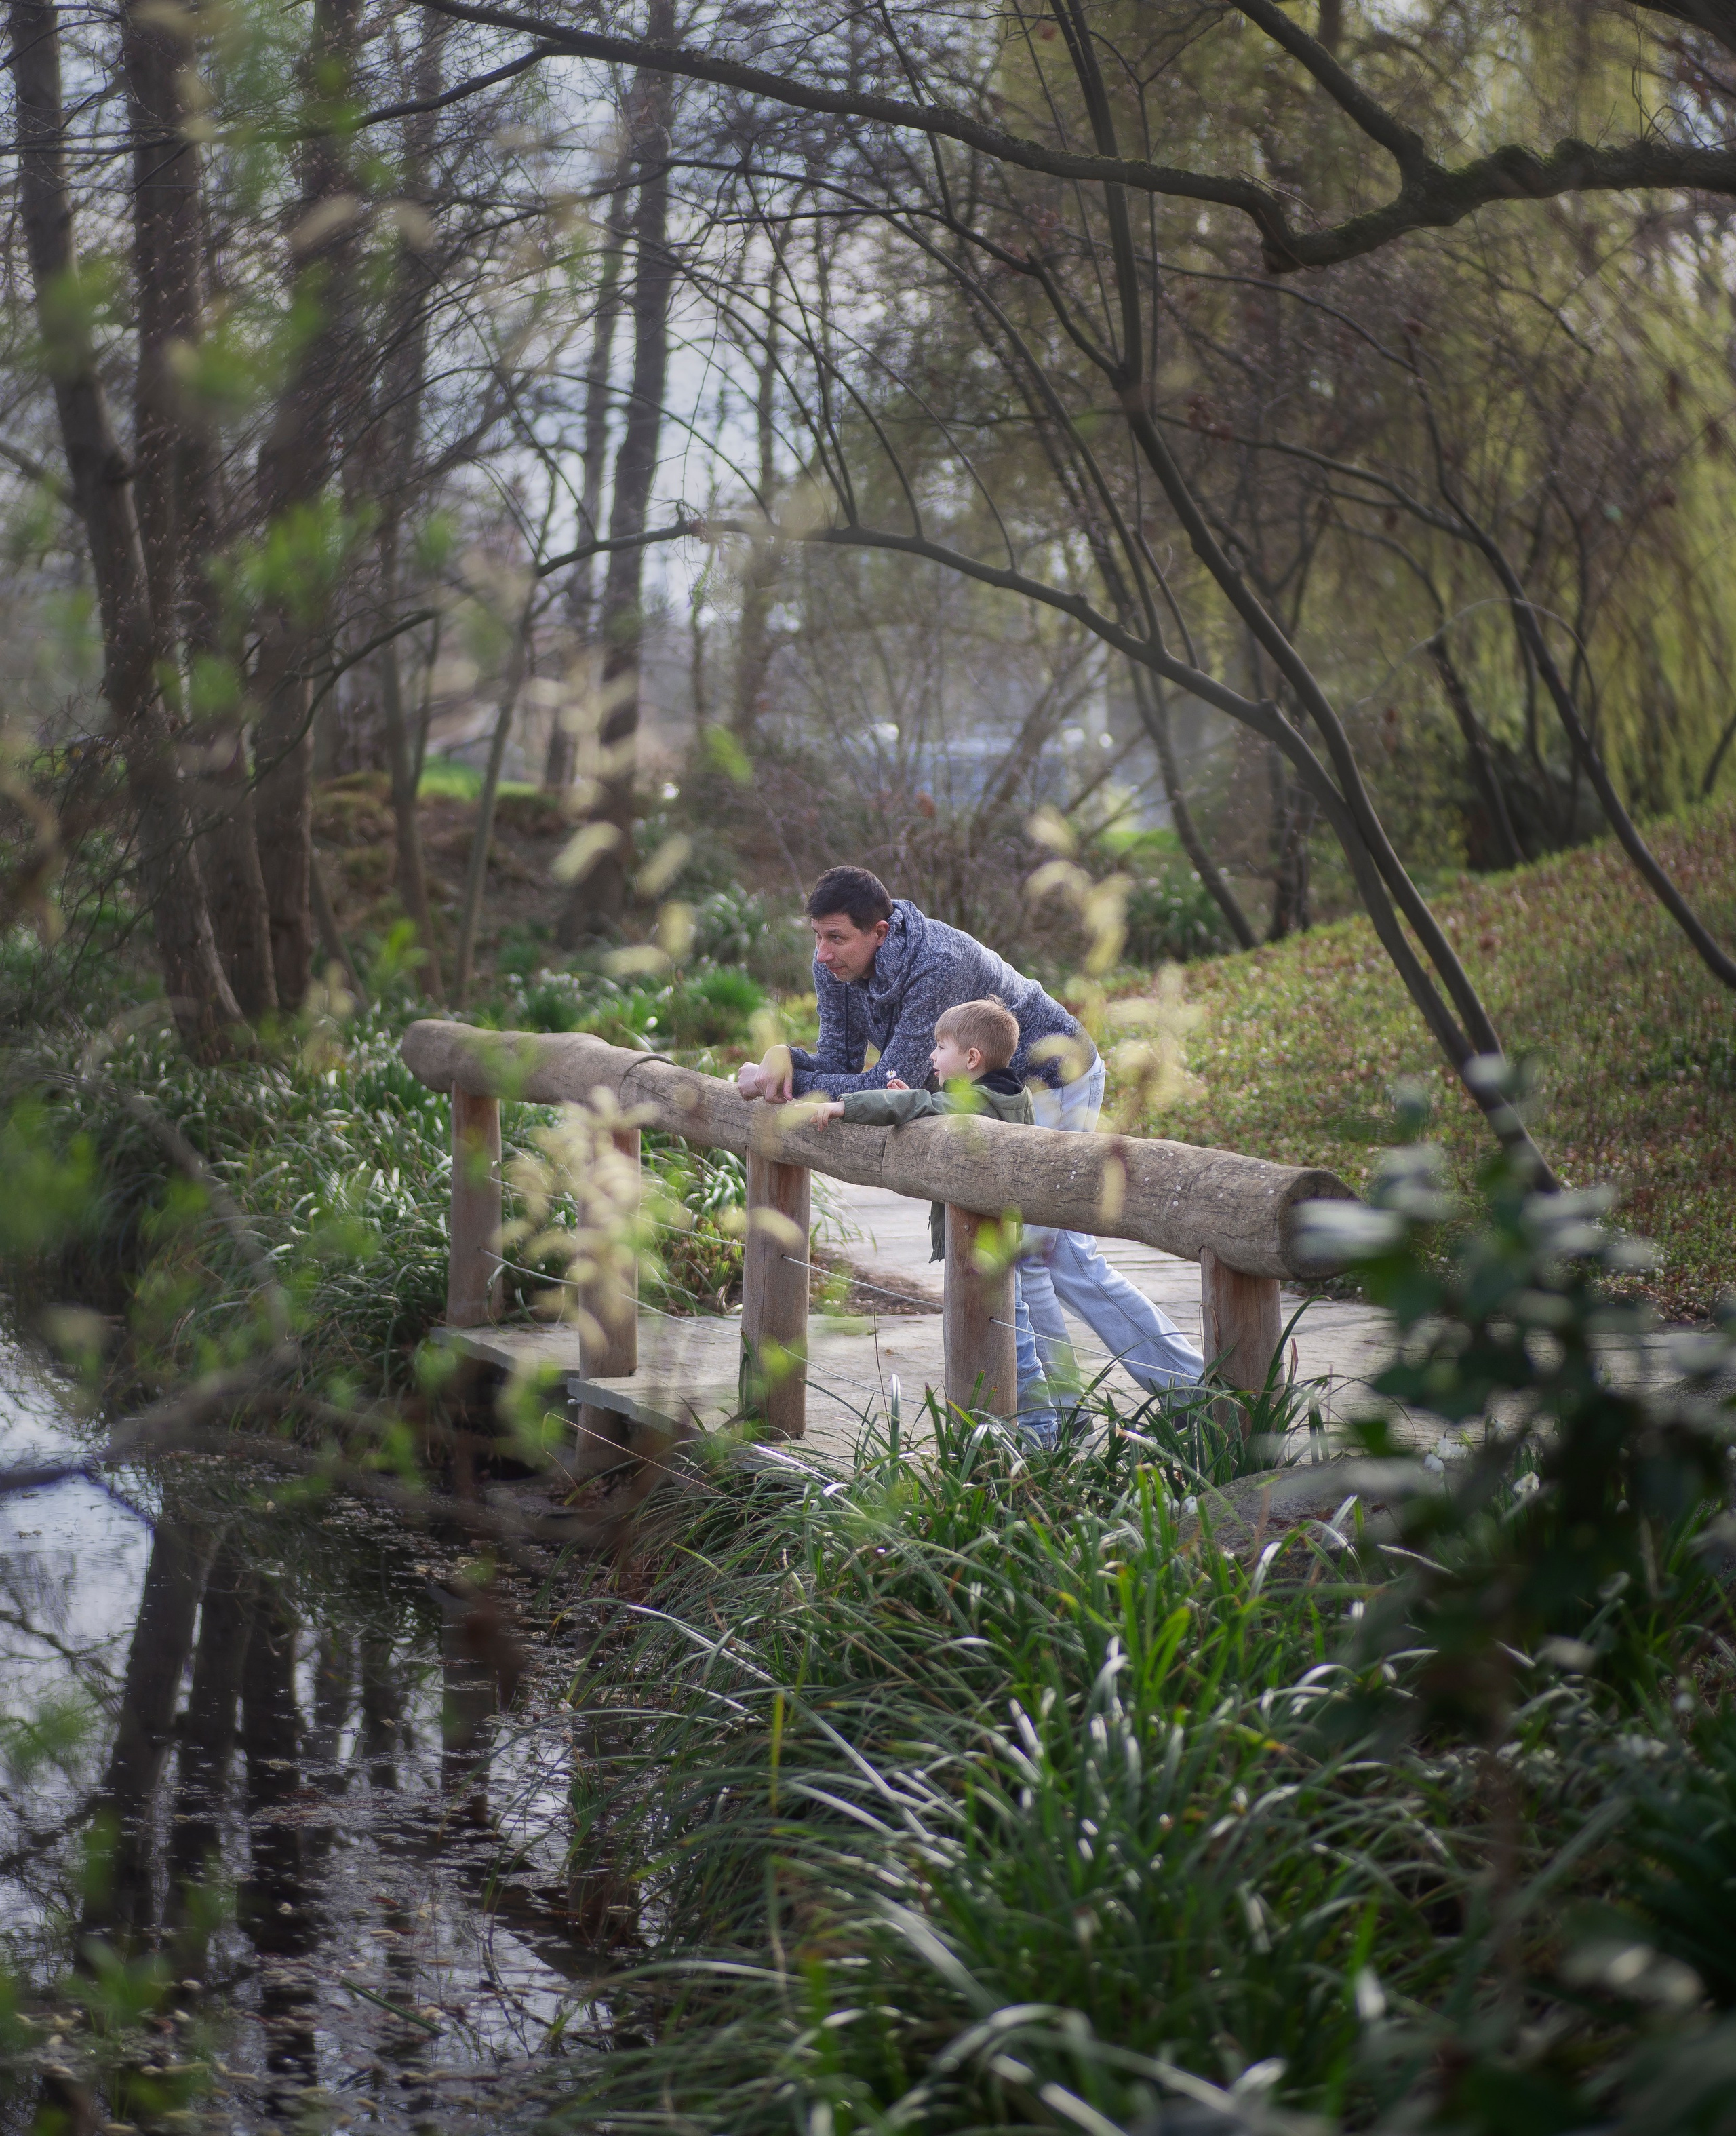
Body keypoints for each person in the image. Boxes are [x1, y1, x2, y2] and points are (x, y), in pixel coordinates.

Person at [741, 866, 1204, 1405]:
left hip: (1055, 1082)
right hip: (981, 1095)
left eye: (836, 938)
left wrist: (791, 1075)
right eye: (817, 936)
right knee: (1020, 1256)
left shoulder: (938, 964)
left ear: (880, 932)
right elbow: (841, 1062)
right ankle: (1060, 1417)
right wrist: (787, 1059)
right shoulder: (835, 966)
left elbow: (886, 1082)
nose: (822, 953)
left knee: (1054, 1256)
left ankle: (1193, 1397)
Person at [809, 996, 1056, 1441]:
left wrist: (849, 1106)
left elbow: (928, 1104)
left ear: (971, 1058)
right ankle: (1025, 1425)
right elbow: (936, 1107)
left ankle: (1039, 1428)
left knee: (1013, 1342)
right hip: (998, 1240)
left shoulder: (979, 1103)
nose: (932, 1056)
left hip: (984, 1247)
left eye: (940, 1047)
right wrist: (916, 1104)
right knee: (1012, 1335)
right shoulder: (1009, 1095)